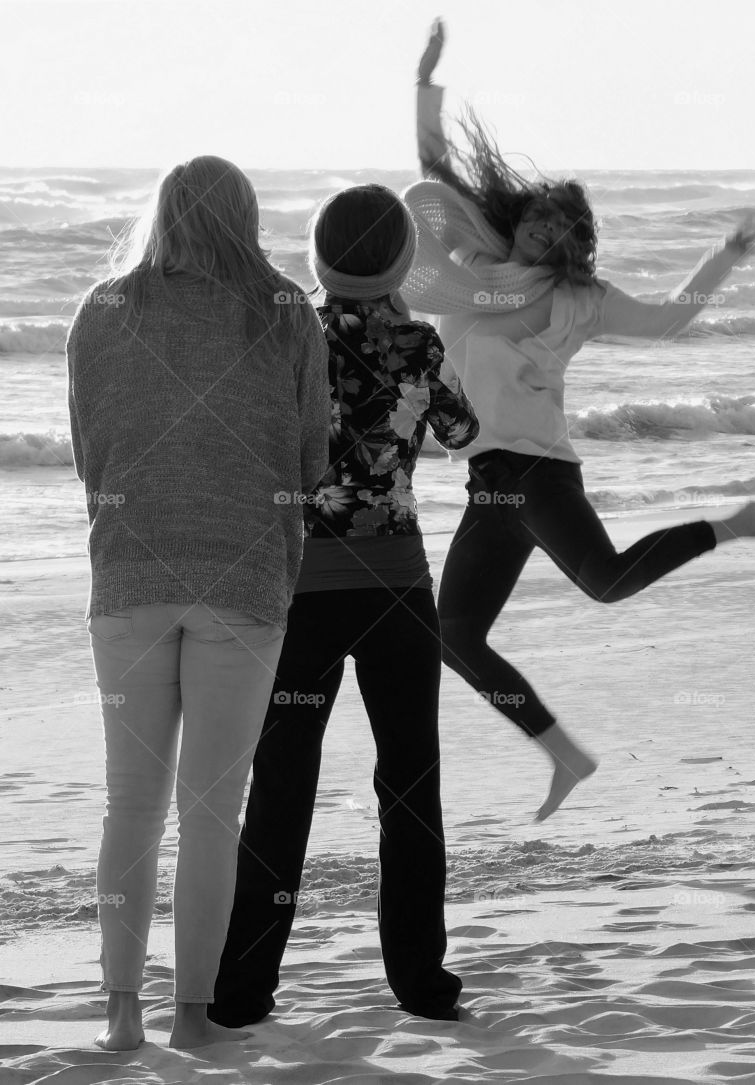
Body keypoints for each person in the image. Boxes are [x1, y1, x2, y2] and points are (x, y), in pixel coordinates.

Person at [404, 20, 755, 821]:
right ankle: (563, 754)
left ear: (578, 242)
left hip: (538, 471)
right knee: (454, 636)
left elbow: (667, 321)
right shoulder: (473, 274)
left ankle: (736, 523)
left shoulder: (578, 299)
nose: (550, 232)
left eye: (566, 227)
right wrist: (425, 83)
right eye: (540, 219)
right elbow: (434, 177)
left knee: (607, 583)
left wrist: (724, 256)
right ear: (515, 220)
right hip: (489, 482)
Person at [66, 155, 330, 1050]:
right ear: (247, 217)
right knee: (213, 814)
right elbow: (310, 460)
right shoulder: (288, 310)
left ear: (163, 212)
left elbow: (89, 451)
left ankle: (119, 1016)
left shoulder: (103, 310)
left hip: (129, 579)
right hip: (247, 581)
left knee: (128, 805)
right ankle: (193, 1018)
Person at [208, 184, 479, 1029]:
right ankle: (421, 984)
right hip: (397, 588)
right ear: (402, 261)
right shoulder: (419, 343)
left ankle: (245, 989)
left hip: (302, 592)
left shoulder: (290, 335)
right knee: (409, 784)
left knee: (281, 787)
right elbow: (465, 432)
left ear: (319, 255)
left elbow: (250, 443)